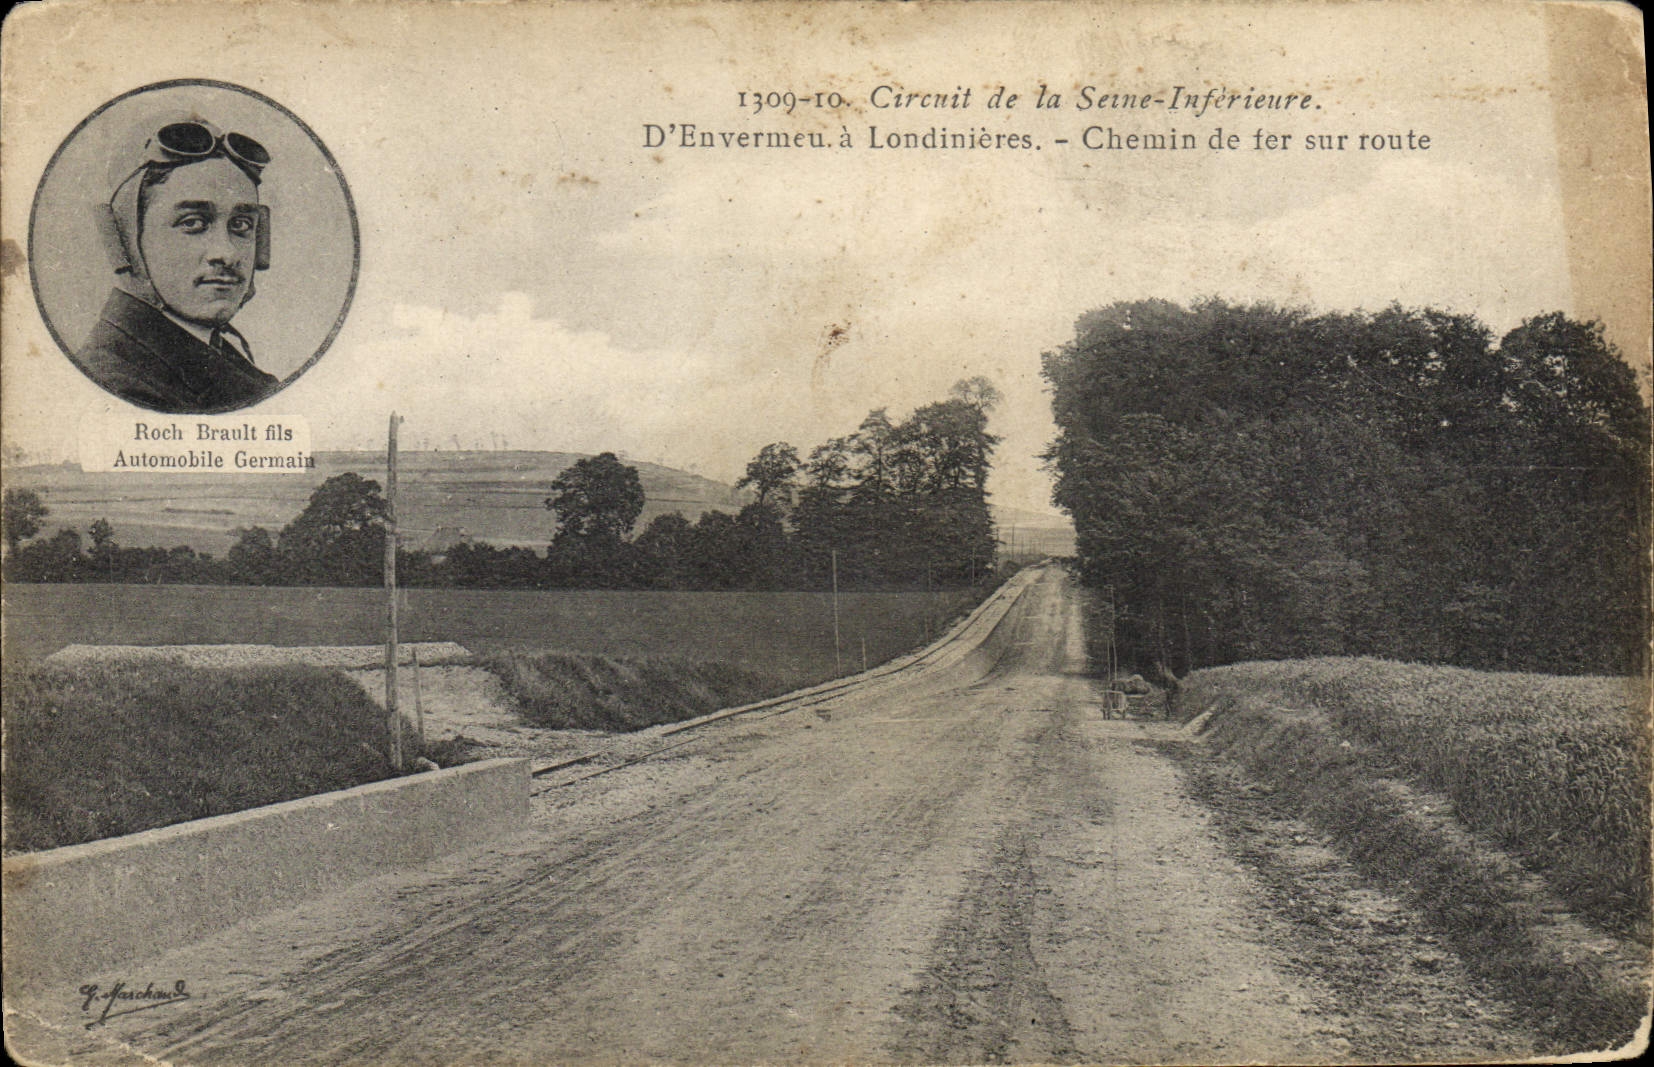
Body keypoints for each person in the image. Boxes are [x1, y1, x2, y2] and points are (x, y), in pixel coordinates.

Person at [76, 117, 280, 412]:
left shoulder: (226, 363)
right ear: (126, 240)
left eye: (241, 225)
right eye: (193, 223)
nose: (227, 253)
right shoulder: (122, 386)